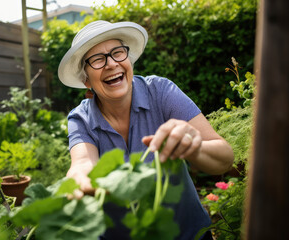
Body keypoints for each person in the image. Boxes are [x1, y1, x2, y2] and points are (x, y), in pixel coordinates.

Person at [58, 20, 234, 240]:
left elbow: (225, 158)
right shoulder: (80, 118)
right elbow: (83, 162)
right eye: (97, 59)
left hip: (188, 235)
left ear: (128, 59)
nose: (111, 63)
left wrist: (193, 148)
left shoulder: (161, 91)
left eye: (117, 53)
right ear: (86, 80)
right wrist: (78, 179)